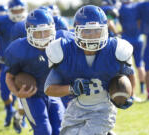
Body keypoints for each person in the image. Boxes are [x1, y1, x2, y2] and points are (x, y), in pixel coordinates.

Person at [44, 5, 134, 135]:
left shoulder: (116, 49)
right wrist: (71, 88)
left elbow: (129, 74)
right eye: (87, 31)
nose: (92, 36)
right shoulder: (64, 51)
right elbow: (49, 89)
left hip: (103, 107)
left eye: (97, 31)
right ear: (76, 31)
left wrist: (127, 95)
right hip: (77, 106)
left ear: (105, 30)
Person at [5, 9, 65, 135]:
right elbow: (9, 77)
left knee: (59, 129)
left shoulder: (63, 41)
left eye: (46, 32)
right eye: (38, 33)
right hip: (31, 95)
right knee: (43, 130)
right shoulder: (19, 49)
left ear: (53, 29)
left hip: (53, 91)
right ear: (29, 32)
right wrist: (17, 93)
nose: (43, 37)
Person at [0, 0, 27, 127]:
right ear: (9, 10)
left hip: (25, 63)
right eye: (15, 10)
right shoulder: (0, 21)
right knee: (5, 94)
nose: (17, 13)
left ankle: (22, 117)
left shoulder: (30, 21)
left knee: (25, 90)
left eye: (20, 10)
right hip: (7, 62)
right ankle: (10, 110)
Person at [119, 0, 146, 95]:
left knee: (127, 66)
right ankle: (142, 88)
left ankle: (129, 90)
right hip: (138, 39)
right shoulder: (138, 6)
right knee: (140, 65)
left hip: (126, 39)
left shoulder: (121, 8)